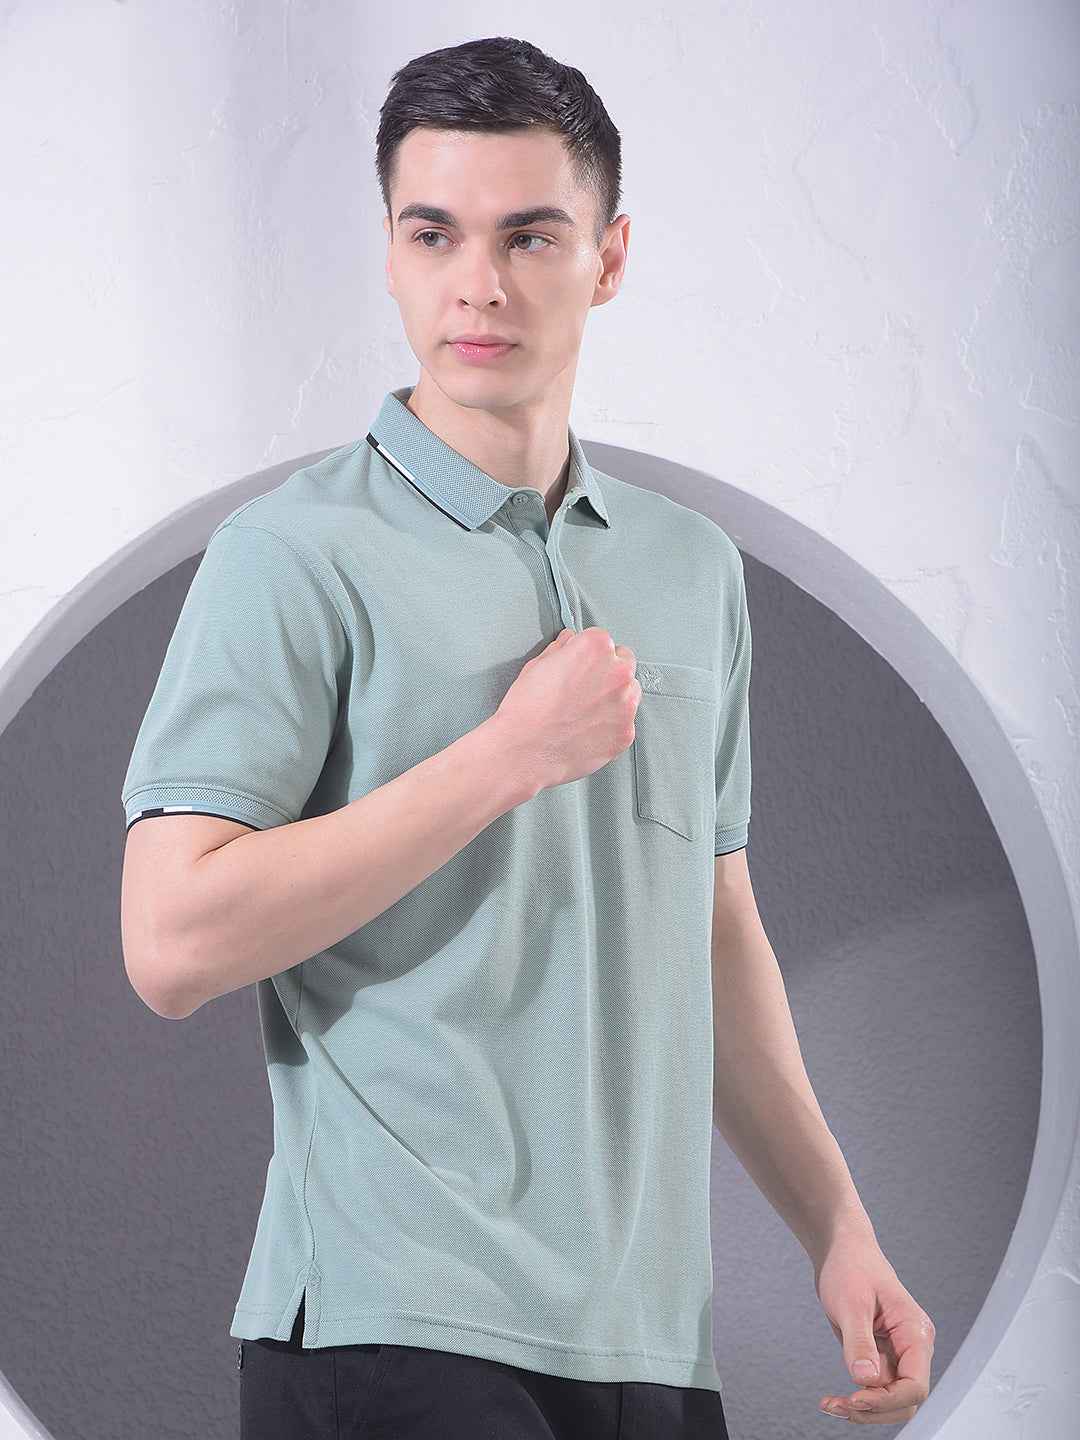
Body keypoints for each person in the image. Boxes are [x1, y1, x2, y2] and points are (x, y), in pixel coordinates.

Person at [119, 34, 934, 1439]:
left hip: (649, 1339)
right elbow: (170, 942)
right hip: (388, 1321)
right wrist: (508, 758)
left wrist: (837, 1226)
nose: (477, 284)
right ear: (390, 253)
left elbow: (713, 923)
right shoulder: (292, 553)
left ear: (608, 259)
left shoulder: (692, 568)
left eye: (529, 236)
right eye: (433, 233)